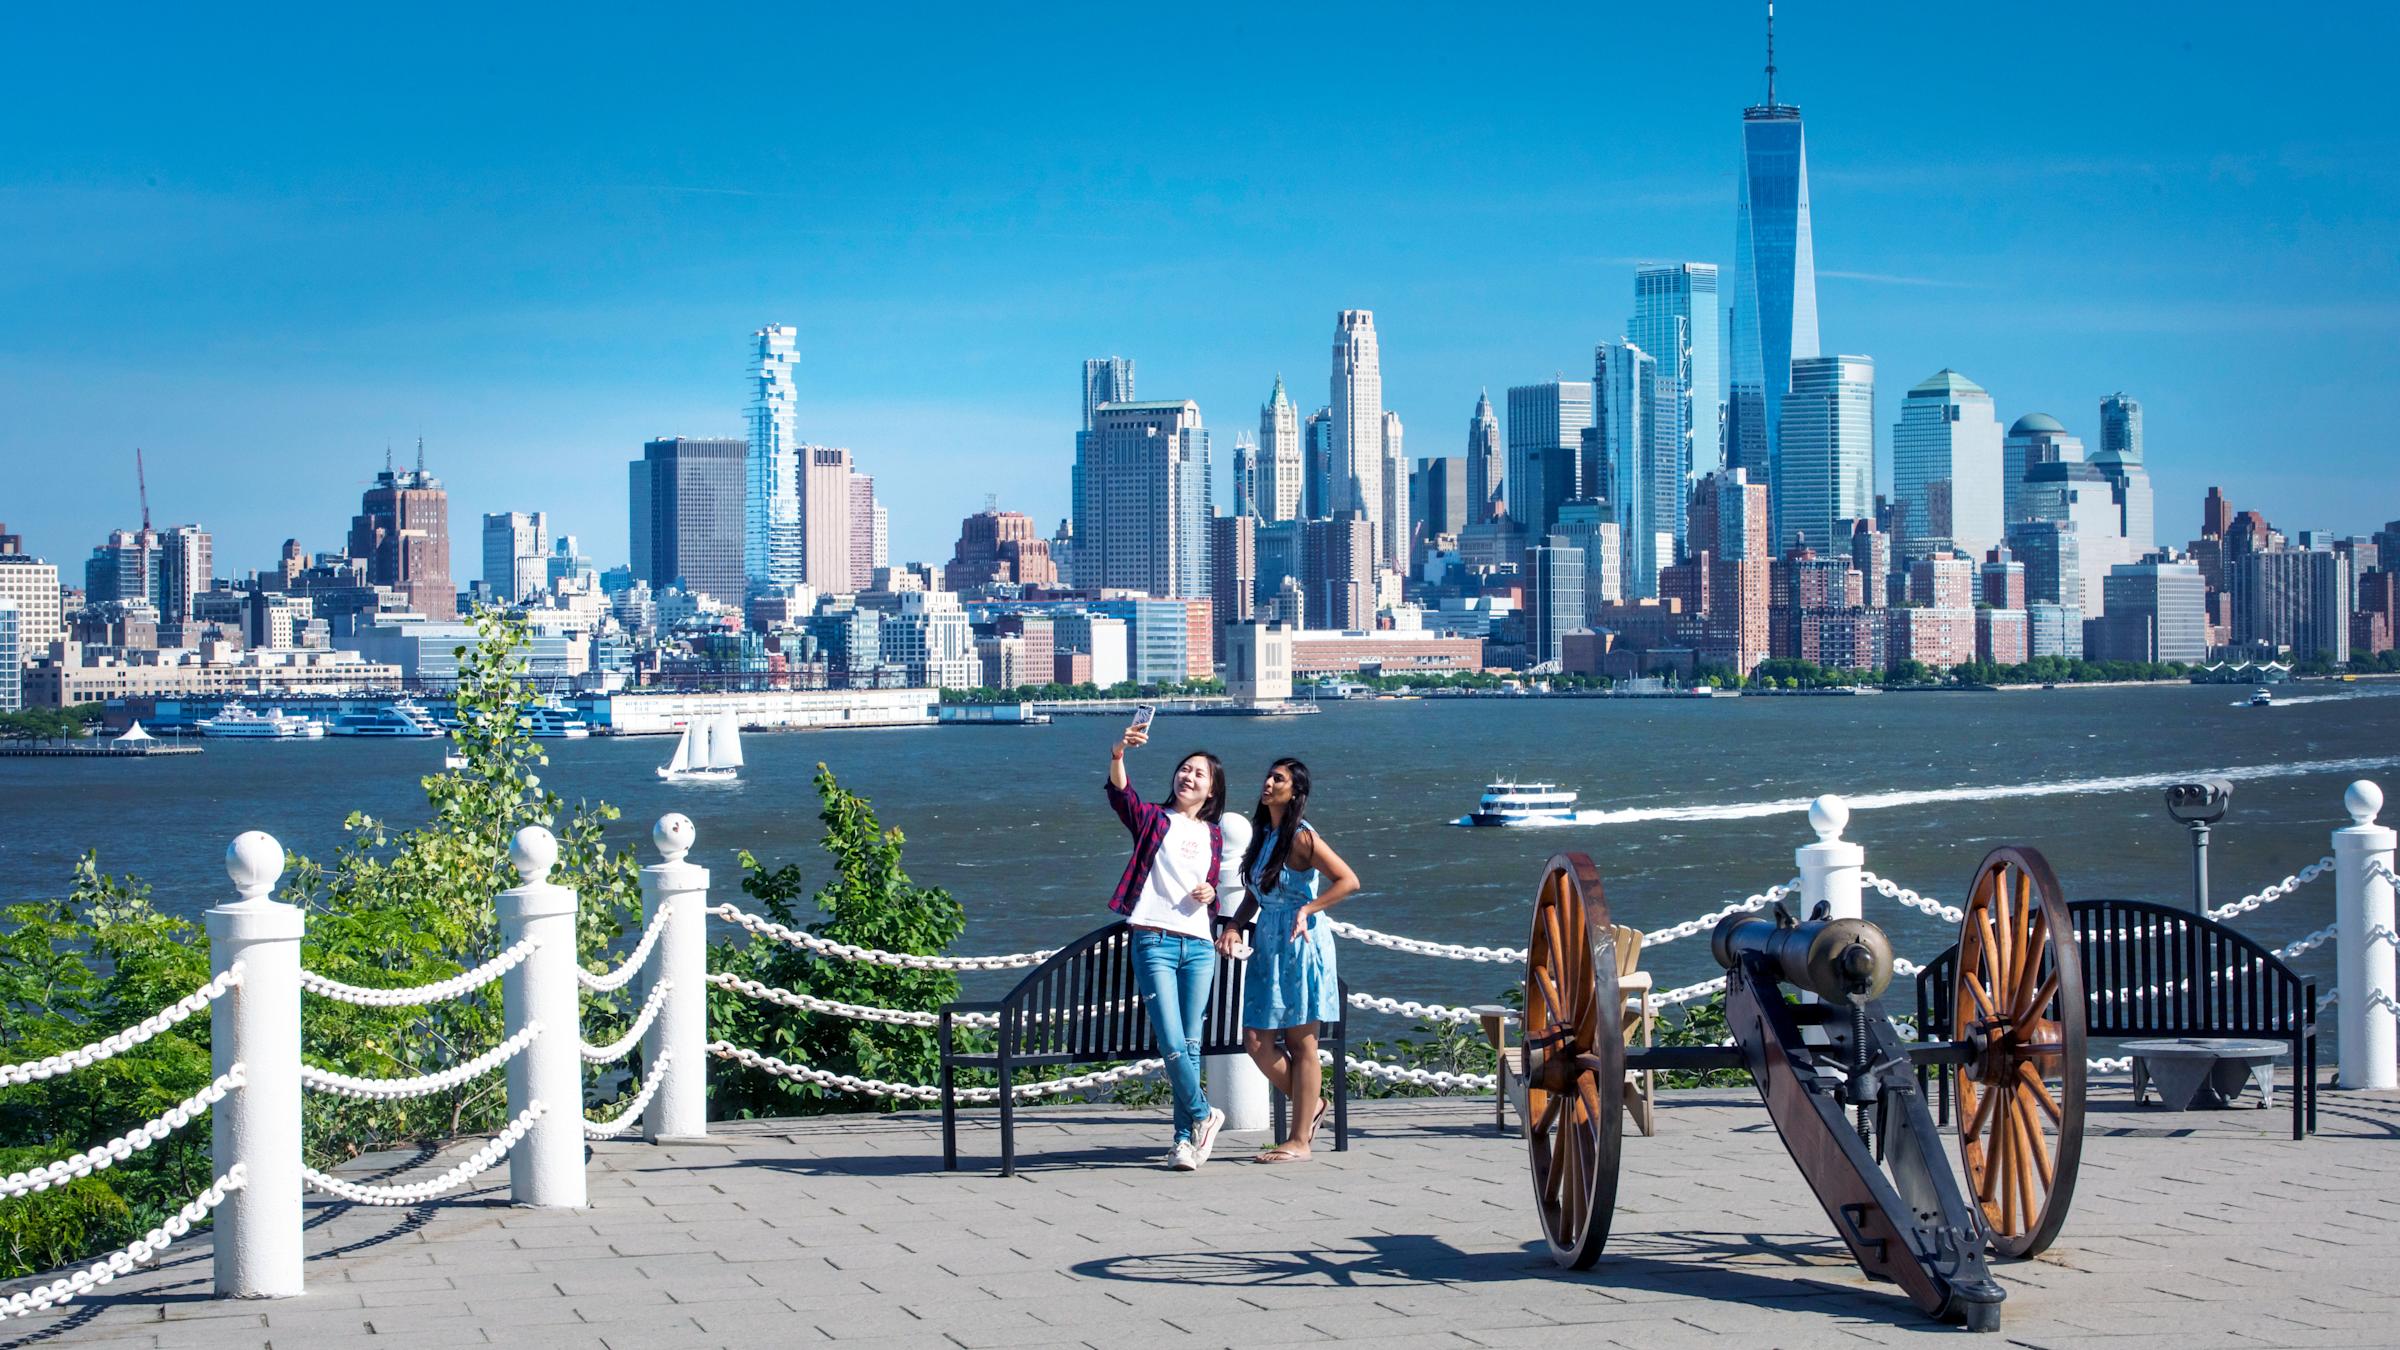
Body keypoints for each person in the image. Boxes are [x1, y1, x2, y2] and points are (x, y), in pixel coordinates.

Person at [1106, 722, 1245, 1170]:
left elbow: (1209, 882)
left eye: (1199, 774)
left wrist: (1211, 891)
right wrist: (1118, 754)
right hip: (1153, 938)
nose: (1188, 777)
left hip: (1200, 947)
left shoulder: (1215, 834)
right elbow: (1122, 797)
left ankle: (1184, 1141)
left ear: (1212, 789)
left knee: (1190, 1045)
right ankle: (1206, 1114)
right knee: (1170, 1041)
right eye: (1184, 770)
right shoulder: (1153, 819)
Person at [1227, 757, 1360, 1163]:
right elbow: (1256, 890)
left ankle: (1300, 1140)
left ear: (1295, 791)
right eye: (1268, 775)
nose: (1268, 782)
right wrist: (1234, 925)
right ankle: (1313, 1104)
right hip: (1269, 942)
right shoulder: (1264, 833)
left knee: (1302, 1043)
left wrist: (1310, 908)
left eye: (1278, 779)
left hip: (1301, 942)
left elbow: (1348, 880)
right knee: (1255, 1040)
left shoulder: (1301, 836)